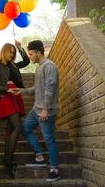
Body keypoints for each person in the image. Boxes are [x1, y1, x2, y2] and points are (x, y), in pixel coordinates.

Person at [18, 40, 60, 182]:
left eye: (30, 54)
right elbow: (38, 88)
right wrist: (22, 91)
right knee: (25, 129)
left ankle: (54, 169)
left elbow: (50, 88)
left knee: (49, 140)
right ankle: (40, 156)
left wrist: (45, 109)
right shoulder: (39, 68)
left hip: (45, 111)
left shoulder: (50, 67)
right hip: (36, 109)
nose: (29, 57)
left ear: (37, 52)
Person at [0, 42, 30, 178]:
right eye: (10, 52)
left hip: (15, 97)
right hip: (6, 96)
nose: (12, 54)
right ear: (4, 51)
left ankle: (6, 159)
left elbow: (26, 61)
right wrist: (7, 89)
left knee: (10, 130)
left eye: (14, 52)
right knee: (18, 127)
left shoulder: (13, 66)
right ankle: (8, 161)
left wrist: (20, 48)